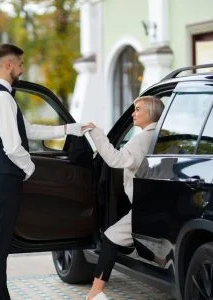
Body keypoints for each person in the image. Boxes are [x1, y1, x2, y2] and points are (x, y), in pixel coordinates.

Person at [0, 43, 83, 300]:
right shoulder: (2, 98)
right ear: (8, 65)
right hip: (2, 179)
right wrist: (30, 168)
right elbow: (13, 146)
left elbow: (30, 130)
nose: (23, 69)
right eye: (21, 64)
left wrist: (70, 129)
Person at [82, 96, 165, 300]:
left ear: (151, 114)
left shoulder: (142, 138)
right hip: (163, 203)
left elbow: (115, 159)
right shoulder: (164, 136)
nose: (133, 113)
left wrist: (95, 132)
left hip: (144, 208)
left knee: (111, 236)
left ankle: (94, 293)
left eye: (137, 109)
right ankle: (163, 265)